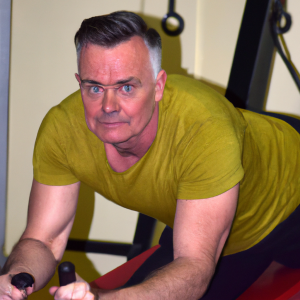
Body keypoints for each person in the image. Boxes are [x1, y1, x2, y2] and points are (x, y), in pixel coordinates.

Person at [1, 10, 300, 300]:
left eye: (126, 87)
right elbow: (43, 240)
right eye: (94, 88)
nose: (108, 106)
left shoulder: (204, 129)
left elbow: (194, 267)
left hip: (292, 193)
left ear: (158, 87)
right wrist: (18, 277)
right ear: (80, 84)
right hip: (220, 232)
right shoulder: (62, 130)